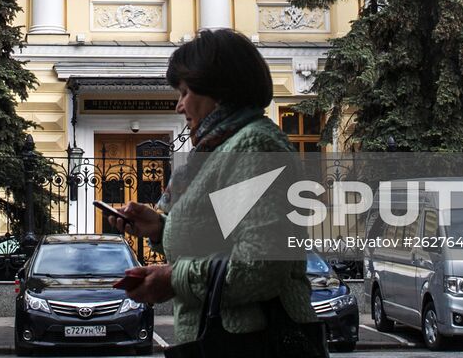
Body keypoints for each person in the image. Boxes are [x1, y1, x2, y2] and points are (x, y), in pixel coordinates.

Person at [109, 28, 319, 348]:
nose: (179, 106)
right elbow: (219, 239)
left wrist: (172, 280)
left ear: (217, 90)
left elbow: (260, 268)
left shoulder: (254, 146)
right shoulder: (219, 148)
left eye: (184, 92)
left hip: (252, 343)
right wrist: (159, 227)